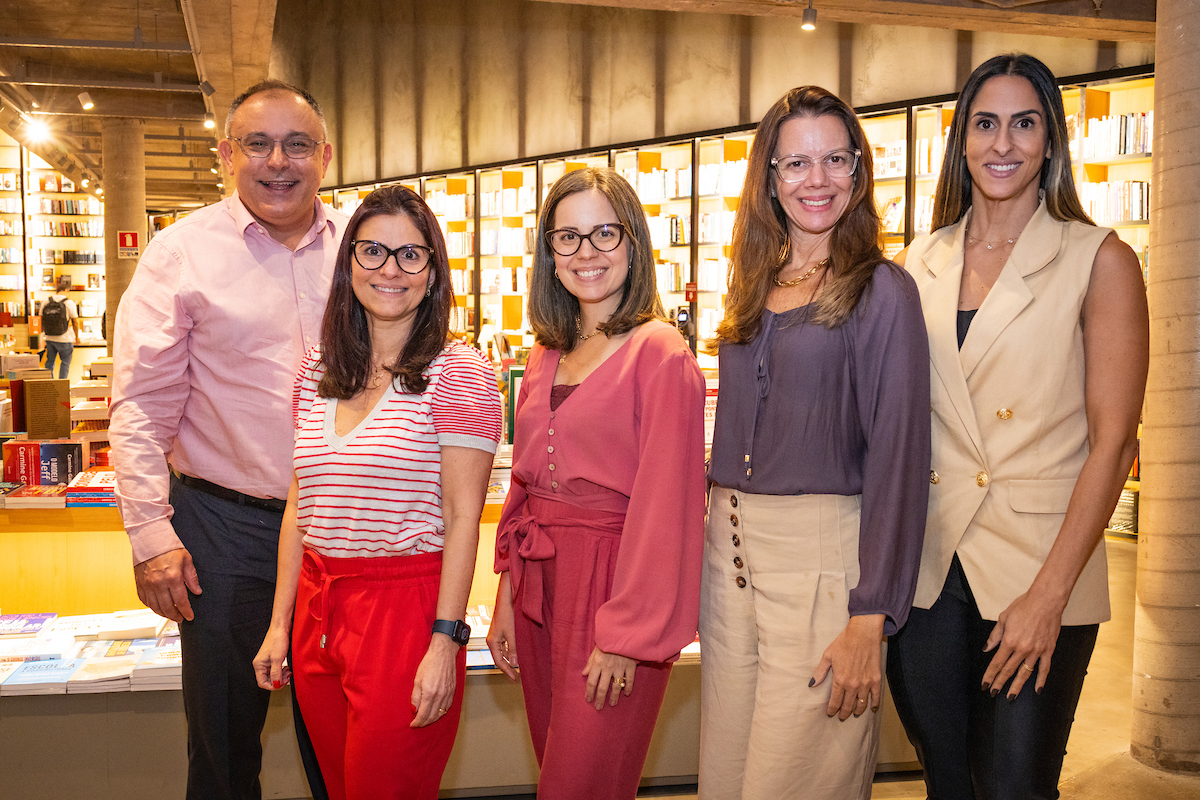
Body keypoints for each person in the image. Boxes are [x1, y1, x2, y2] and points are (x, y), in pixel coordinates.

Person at [885, 53, 1149, 799]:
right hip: (933, 570)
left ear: (1050, 140)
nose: (1004, 144)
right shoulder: (920, 260)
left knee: (1015, 785)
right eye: (986, 123)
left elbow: (1114, 441)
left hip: (1037, 566)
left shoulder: (1098, 260)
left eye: (1024, 124)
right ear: (961, 140)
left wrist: (1048, 597)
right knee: (947, 782)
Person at [109, 80, 345, 800]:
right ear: (226, 155)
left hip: (344, 527)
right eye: (258, 144)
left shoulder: (366, 247)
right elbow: (141, 406)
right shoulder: (180, 254)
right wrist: (151, 535)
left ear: (325, 157)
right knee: (224, 749)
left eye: (298, 144)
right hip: (225, 531)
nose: (279, 161)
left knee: (345, 741)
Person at [699, 86, 931, 800]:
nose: (817, 179)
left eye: (835, 159)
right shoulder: (752, 283)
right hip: (728, 559)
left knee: (795, 782)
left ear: (859, 172)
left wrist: (871, 613)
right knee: (727, 779)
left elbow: (902, 455)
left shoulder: (881, 290)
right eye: (795, 163)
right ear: (769, 177)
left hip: (821, 565)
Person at [253, 185, 502, 799]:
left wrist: (446, 640)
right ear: (348, 265)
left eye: (411, 255)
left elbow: (462, 518)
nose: (390, 269)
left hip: (404, 613)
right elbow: (297, 508)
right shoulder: (316, 369)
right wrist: (280, 624)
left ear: (433, 271)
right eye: (372, 252)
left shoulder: (457, 372)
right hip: (319, 607)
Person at [486, 167, 706, 800]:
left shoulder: (660, 352)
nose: (587, 253)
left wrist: (626, 636)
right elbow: (525, 485)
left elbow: (668, 507)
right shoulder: (545, 354)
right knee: (559, 771)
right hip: (540, 589)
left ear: (632, 243)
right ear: (549, 255)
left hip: (613, 590)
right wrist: (507, 595)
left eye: (604, 234)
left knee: (580, 785)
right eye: (569, 237)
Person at [42, 274, 81, 378]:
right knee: (65, 363)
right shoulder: (69, 303)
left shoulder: (46, 301)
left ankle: (49, 385)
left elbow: (41, 318)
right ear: (67, 290)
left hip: (49, 337)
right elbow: (75, 322)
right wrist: (77, 337)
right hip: (65, 338)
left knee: (49, 363)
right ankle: (61, 386)